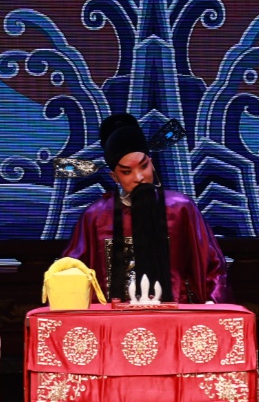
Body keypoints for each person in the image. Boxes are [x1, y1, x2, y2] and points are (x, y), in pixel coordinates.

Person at [62, 112, 228, 304]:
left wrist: (212, 303)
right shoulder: (96, 217)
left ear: (152, 163)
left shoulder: (180, 208)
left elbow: (212, 266)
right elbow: (71, 273)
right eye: (127, 172)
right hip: (114, 316)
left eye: (143, 166)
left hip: (177, 312)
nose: (139, 177)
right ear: (114, 177)